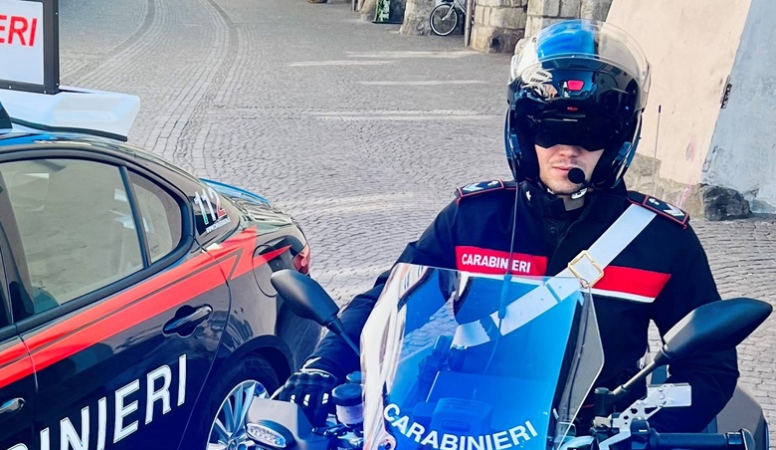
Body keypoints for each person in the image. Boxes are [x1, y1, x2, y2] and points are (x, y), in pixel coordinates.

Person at [277, 19, 738, 434]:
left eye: (590, 135)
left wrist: (643, 430)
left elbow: (710, 367)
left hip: (593, 432)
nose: (568, 151)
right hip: (457, 426)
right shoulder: (474, 218)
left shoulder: (660, 239)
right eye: (549, 131)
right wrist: (324, 365)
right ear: (524, 133)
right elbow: (388, 301)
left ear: (618, 140)